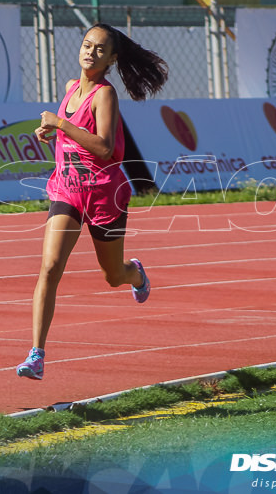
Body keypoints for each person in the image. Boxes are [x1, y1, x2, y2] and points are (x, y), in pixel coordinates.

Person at [16, 23, 168, 381]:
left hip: (104, 194)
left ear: (112, 58)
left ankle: (134, 273)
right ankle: (36, 354)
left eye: (100, 49)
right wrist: (50, 130)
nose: (91, 52)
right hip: (67, 190)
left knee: (111, 275)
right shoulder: (70, 89)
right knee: (50, 268)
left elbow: (103, 148)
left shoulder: (105, 95)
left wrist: (61, 125)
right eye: (87, 45)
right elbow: (70, 131)